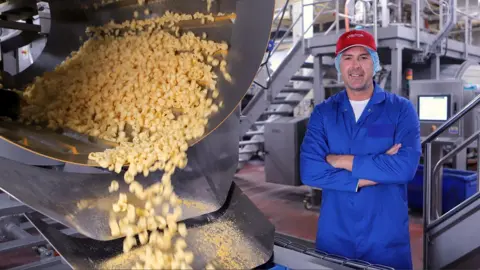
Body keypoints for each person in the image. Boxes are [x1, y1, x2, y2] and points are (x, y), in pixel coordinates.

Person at [299, 29, 421, 270]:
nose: (355, 66)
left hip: (385, 237)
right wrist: (373, 174)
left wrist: (339, 160)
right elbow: (310, 171)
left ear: (374, 63)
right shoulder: (324, 113)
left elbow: (405, 168)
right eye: (348, 58)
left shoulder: (401, 110)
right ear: (339, 65)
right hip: (335, 235)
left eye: (363, 57)